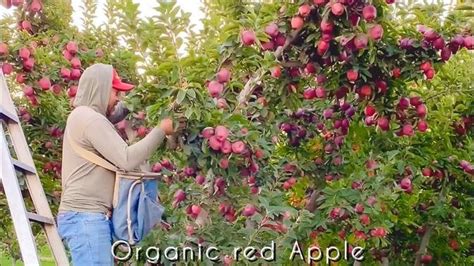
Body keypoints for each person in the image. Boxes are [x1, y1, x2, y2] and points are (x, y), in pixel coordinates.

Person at [57, 63, 173, 265]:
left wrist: (141, 96)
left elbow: (116, 113)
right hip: (86, 219)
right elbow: (127, 159)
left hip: (87, 218)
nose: (118, 98)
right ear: (100, 90)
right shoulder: (90, 119)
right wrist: (161, 130)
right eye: (115, 92)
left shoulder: (84, 116)